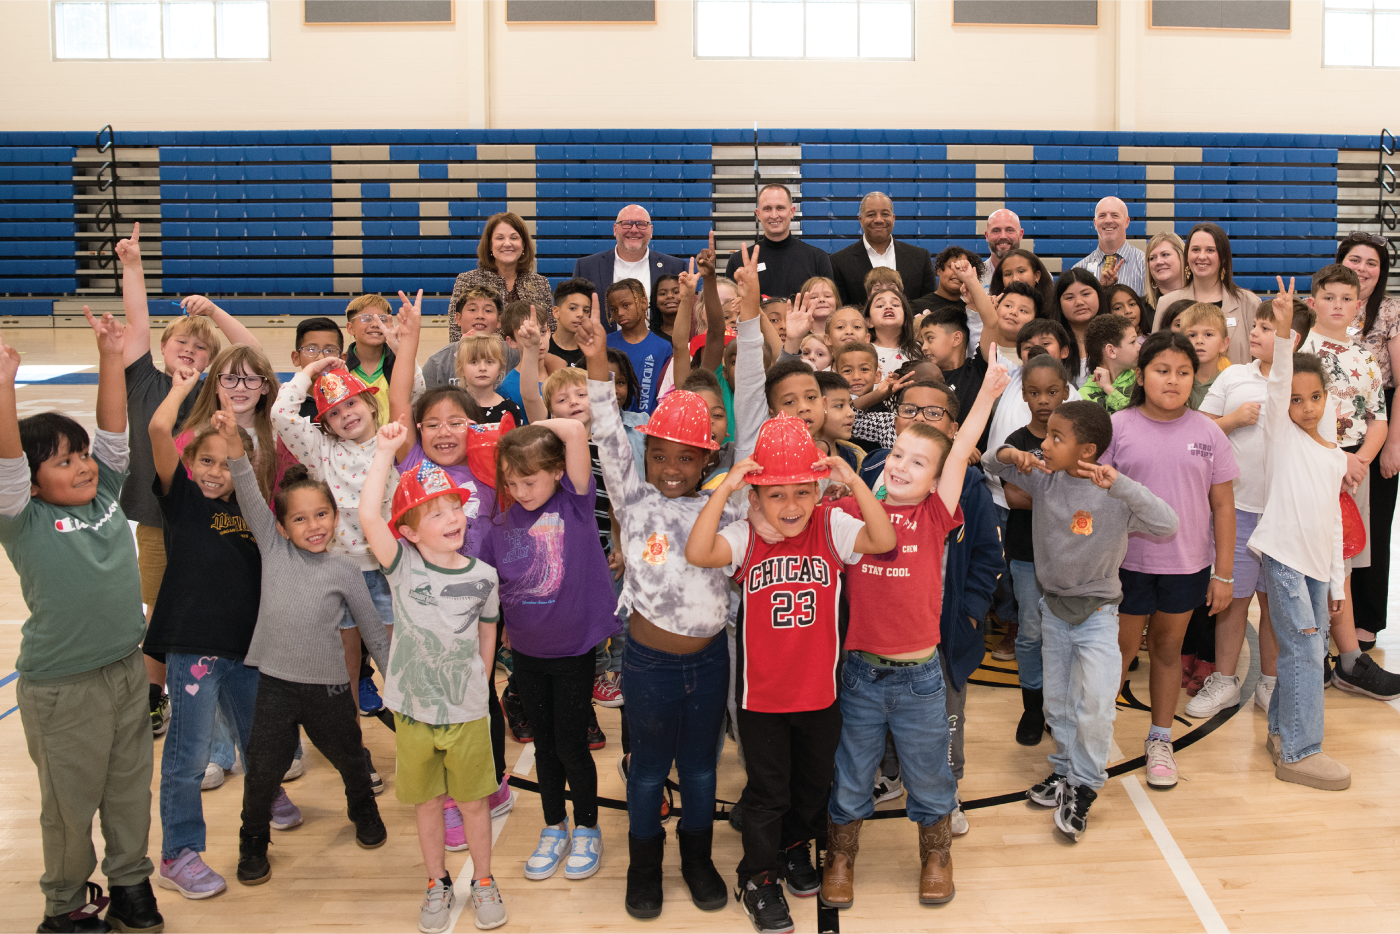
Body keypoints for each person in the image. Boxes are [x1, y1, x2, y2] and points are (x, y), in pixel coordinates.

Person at [583, 245, 768, 921]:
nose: (667, 467)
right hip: (650, 664)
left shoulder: (727, 502)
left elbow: (747, 420)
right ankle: (644, 861)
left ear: (707, 460)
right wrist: (597, 356)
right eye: (657, 454)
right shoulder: (634, 499)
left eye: (683, 459)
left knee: (700, 770)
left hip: (709, 660)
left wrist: (747, 321)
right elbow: (607, 434)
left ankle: (694, 854)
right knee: (644, 771)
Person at [685, 415, 897, 934]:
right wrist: (729, 487)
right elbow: (697, 552)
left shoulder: (831, 526)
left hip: (820, 694)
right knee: (767, 793)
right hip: (761, 700)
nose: (792, 506)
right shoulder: (745, 536)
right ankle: (757, 877)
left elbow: (884, 538)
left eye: (803, 492)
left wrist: (852, 482)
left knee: (810, 788)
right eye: (776, 495)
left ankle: (794, 848)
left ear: (819, 490)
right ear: (756, 498)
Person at [819, 363, 1006, 910]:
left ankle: (936, 854)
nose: (903, 465)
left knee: (930, 773)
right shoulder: (853, 509)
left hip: (923, 678)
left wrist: (989, 393)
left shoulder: (936, 513)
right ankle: (842, 855)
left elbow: (965, 437)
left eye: (920, 462)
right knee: (852, 771)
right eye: (898, 454)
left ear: (938, 477)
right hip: (860, 674)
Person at [2, 310, 165, 934]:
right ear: (33, 483)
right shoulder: (21, 518)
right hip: (61, 687)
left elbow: (114, 432)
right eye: (63, 462)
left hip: (125, 669)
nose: (83, 466)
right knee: (69, 807)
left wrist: (109, 356)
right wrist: (5, 388)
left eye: (81, 455)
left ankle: (130, 884)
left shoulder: (104, 496)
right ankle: (64, 902)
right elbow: (9, 466)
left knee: (128, 791)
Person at [985, 401, 1178, 841]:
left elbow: (1167, 525)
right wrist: (1012, 455)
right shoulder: (1044, 479)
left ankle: (1085, 784)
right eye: (1045, 435)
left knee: (1094, 705)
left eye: (1057, 437)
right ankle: (1065, 772)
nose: (1044, 444)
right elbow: (991, 461)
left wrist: (1124, 485)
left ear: (1087, 450)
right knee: (1058, 704)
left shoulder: (1113, 492)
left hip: (1099, 616)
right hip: (1053, 611)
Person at [147, 368, 300, 901]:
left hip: (247, 646)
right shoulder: (183, 502)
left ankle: (267, 792)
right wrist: (180, 388)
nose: (214, 472)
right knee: (187, 754)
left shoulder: (254, 512)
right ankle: (178, 853)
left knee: (261, 736)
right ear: (190, 466)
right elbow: (159, 433)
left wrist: (238, 446)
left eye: (225, 463)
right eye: (203, 461)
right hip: (192, 650)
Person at [221, 415, 392, 887]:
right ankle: (253, 839)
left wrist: (397, 679)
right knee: (263, 772)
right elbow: (248, 494)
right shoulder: (274, 551)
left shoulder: (345, 571)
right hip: (276, 687)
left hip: (331, 690)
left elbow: (374, 632)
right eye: (299, 518)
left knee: (352, 759)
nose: (313, 525)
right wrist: (236, 447)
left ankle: (364, 811)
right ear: (280, 526)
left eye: (321, 515)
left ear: (336, 518)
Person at [360, 421, 507, 932]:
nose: (451, 517)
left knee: (472, 804)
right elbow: (366, 515)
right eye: (435, 512)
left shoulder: (483, 577)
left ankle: (485, 879)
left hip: (466, 711)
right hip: (414, 710)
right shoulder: (402, 566)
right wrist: (382, 452)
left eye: (454, 508)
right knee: (426, 807)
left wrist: (480, 684)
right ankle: (435, 881)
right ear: (409, 531)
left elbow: (488, 634)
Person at [115, 222, 256, 736]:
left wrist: (214, 313)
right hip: (157, 519)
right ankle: (155, 694)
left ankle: (222, 697)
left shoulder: (214, 395)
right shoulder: (144, 382)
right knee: (160, 606)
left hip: (213, 521)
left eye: (202, 349)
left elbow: (253, 353)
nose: (191, 352)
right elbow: (134, 323)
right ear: (164, 346)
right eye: (183, 343)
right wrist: (133, 266)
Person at [478, 418, 619, 885]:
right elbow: (490, 588)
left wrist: (519, 431)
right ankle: (554, 825)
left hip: (574, 651)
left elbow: (576, 432)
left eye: (530, 479)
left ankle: (587, 828)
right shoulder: (499, 522)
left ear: (557, 471)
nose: (520, 490)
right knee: (544, 747)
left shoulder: (575, 505)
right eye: (511, 481)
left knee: (572, 746)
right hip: (528, 655)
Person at [1104, 331, 1239, 790]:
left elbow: (1223, 506)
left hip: (1186, 566)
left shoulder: (1207, 431)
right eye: (1162, 370)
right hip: (1125, 564)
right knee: (1118, 651)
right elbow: (1096, 495)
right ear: (1141, 375)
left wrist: (1223, 573)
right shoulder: (1118, 427)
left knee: (1166, 650)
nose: (1173, 380)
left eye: (1183, 372)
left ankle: (1160, 739)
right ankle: (1096, 731)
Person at [272, 358, 399, 791]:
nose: (346, 416)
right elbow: (281, 414)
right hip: (339, 576)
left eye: (352, 405)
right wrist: (309, 373)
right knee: (343, 669)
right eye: (334, 413)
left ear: (370, 401)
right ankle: (353, 754)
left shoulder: (391, 440)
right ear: (324, 423)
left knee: (397, 664)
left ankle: (422, 745)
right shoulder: (321, 450)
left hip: (387, 574)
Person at [1249, 280, 1352, 790]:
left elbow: (1333, 523)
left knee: (1304, 650)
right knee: (1306, 652)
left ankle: (1281, 732)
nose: (1305, 407)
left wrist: (1336, 584)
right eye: (1296, 399)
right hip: (1285, 558)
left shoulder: (1334, 455)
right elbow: (1280, 380)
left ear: (1327, 399)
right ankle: (1299, 751)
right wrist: (1285, 330)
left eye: (1315, 398)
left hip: (1314, 567)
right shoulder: (1281, 435)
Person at [1190, 296, 1314, 717]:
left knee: (1276, 601)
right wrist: (1234, 420)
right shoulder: (1234, 376)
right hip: (1237, 509)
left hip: (1284, 512)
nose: (1257, 333)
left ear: (1292, 337)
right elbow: (1200, 427)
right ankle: (1224, 680)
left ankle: (1271, 681)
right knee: (1233, 598)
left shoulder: (1302, 380)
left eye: (1269, 327)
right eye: (1257, 326)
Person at [1299, 264, 1400, 700]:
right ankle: (1313, 654)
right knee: (1307, 568)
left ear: (1359, 306)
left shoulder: (1365, 357)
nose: (1337, 305)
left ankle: (1349, 661)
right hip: (1310, 469)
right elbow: (1292, 416)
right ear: (1313, 302)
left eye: (1346, 299)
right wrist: (1333, 460)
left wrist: (1358, 461)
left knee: (1344, 569)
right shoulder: (1300, 352)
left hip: (1352, 474)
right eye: (1329, 298)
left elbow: (1378, 418)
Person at [1001, 354, 1073, 745]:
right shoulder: (1017, 443)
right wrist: (1064, 499)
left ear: (1065, 391)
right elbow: (1014, 497)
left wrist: (1046, 496)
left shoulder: (1078, 442)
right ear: (1024, 395)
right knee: (1030, 631)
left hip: (1069, 556)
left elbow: (1088, 496)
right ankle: (1033, 705)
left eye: (1051, 391)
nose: (1043, 399)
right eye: (1034, 392)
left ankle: (1058, 706)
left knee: (1064, 632)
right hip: (1026, 552)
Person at [1336, 231, 1400, 648]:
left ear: (1382, 272)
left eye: (1371, 263)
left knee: (1374, 530)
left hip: (1379, 426)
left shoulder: (1391, 311)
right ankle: (1333, 616)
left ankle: (1367, 622)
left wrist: (1393, 443)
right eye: (1355, 260)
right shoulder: (1326, 303)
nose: (1362, 269)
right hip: (1331, 426)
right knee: (1334, 532)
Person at [1153, 222, 1260, 366]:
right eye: (1196, 250)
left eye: (1210, 250)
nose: (1202, 256)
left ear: (1222, 257)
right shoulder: (1167, 303)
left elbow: (1262, 362)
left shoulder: (1249, 303)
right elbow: (1154, 360)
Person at [573, 204, 687, 332]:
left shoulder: (675, 267)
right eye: (627, 224)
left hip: (662, 350)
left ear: (651, 231)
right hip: (602, 350)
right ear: (615, 229)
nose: (634, 229)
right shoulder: (586, 267)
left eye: (641, 224)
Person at [448, 211, 554, 342]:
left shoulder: (540, 283)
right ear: (490, 245)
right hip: (482, 359)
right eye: (500, 238)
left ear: (524, 245)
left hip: (531, 360)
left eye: (514, 237)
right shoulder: (466, 281)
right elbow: (455, 336)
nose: (507, 243)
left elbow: (550, 334)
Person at [828, 191, 939, 309]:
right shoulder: (839, 262)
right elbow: (841, 311)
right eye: (871, 215)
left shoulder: (920, 257)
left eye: (885, 214)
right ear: (861, 220)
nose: (879, 220)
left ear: (893, 218)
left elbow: (928, 307)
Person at [724, 183, 834, 299]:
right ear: (758, 214)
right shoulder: (738, 261)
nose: (774, 215)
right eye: (767, 209)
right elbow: (729, 310)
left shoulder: (817, 259)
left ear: (792, 212)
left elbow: (829, 309)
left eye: (780, 208)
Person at [605, 278, 674, 415]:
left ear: (643, 303)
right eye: (614, 309)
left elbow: (667, 391)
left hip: (649, 427)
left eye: (626, 305)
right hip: (612, 424)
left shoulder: (663, 347)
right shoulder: (605, 343)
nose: (619, 313)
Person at [424, 285, 509, 389]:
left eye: (488, 310)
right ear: (458, 319)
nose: (480, 316)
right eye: (472, 309)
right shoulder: (437, 364)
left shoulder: (514, 355)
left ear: (499, 321)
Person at [343, 295, 408, 423]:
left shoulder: (400, 362)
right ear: (351, 328)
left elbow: (417, 395)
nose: (375, 324)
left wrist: (403, 354)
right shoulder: (341, 368)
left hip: (396, 440)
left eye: (382, 319)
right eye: (366, 318)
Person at [1072, 196, 1146, 295]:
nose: (1108, 220)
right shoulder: (1079, 270)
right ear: (1095, 223)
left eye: (1115, 215)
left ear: (1127, 222)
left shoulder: (1145, 264)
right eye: (1102, 215)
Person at [456, 334, 528, 427]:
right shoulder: (452, 407)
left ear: (500, 367)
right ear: (461, 368)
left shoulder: (511, 409)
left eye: (489, 362)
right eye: (474, 362)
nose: (482, 368)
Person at [1052, 268, 1104, 387]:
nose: (1079, 302)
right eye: (1069, 297)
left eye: (1086, 294)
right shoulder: (1052, 342)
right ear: (1059, 304)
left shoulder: (1117, 336)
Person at [1178, 303, 1234, 409]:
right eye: (1192, 335)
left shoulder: (1230, 384)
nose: (1199, 341)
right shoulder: (1175, 382)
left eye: (1208, 334)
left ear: (1224, 344)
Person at [1082, 314, 1140, 414]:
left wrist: (1109, 389)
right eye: (1132, 342)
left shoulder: (1140, 379)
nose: (1139, 347)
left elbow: (1139, 418)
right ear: (1111, 351)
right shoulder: (1083, 396)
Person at [865, 286, 923, 376]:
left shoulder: (920, 349)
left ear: (906, 319)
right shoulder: (863, 352)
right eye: (880, 305)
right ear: (869, 321)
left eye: (895, 305)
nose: (888, 307)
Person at [988, 248, 1055, 317]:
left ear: (1036, 276)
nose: (1015, 279)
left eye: (1021, 271)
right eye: (1008, 274)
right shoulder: (995, 309)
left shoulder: (1055, 309)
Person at [550, 278, 594, 367]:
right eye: (573, 308)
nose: (580, 314)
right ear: (556, 312)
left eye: (586, 310)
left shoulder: (592, 350)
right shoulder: (542, 349)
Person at [980, 208, 1025, 289]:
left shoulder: (1039, 276)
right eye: (996, 231)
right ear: (987, 236)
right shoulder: (974, 278)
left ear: (1021, 234)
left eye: (1010, 230)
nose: (1003, 236)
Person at [1145, 232, 1187, 312]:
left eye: (1165, 255)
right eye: (1152, 258)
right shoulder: (1141, 309)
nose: (1158, 262)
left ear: (1182, 257)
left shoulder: (1201, 300)